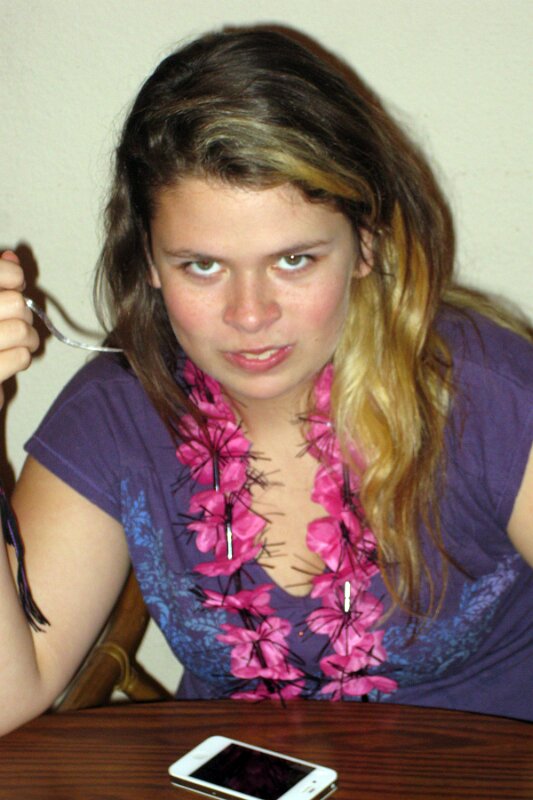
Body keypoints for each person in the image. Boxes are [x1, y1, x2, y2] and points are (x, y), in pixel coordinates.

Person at [0, 26, 532, 736]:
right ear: (149, 262)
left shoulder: (483, 393)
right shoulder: (115, 414)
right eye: (202, 266)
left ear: (366, 243)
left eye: (293, 260)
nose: (249, 315)